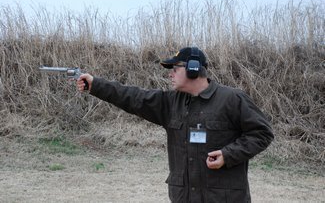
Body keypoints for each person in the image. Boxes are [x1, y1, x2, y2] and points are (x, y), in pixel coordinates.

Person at [76, 47, 274, 203]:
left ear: (193, 69)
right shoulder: (170, 103)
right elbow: (133, 97)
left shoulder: (231, 99)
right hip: (183, 198)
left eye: (175, 69)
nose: (170, 74)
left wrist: (228, 155)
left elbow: (262, 133)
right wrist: (96, 85)